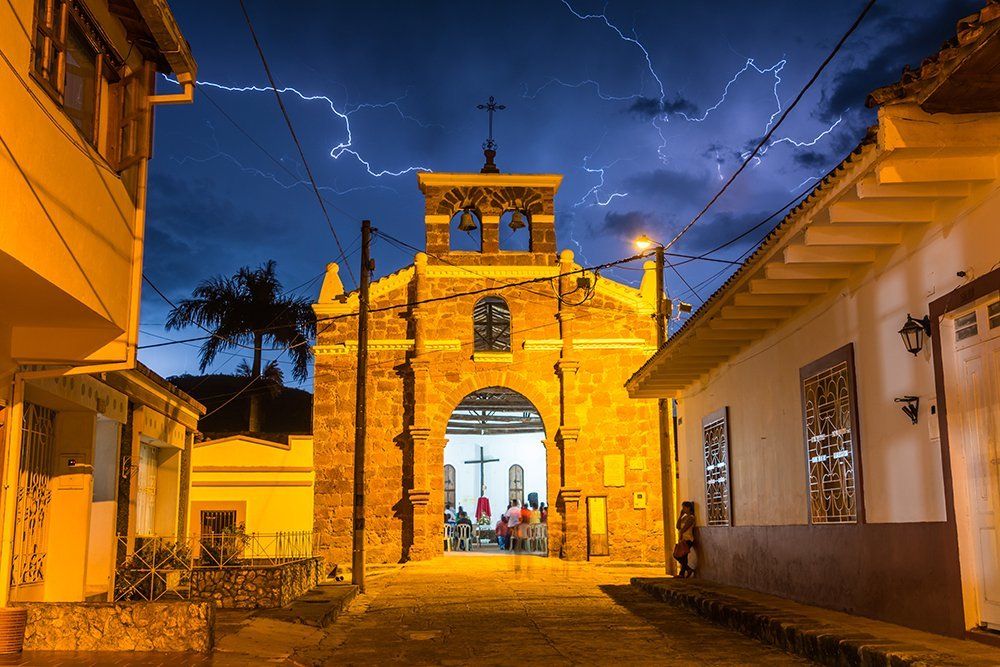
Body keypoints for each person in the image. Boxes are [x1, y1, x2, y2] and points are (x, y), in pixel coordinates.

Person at [674, 501, 696, 578]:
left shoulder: (691, 518)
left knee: (682, 556)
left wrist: (680, 536)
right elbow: (677, 526)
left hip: (688, 539)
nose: (683, 509)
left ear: (689, 508)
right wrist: (680, 516)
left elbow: (684, 529)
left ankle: (682, 574)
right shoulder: (684, 517)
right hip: (683, 539)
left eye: (684, 507)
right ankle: (687, 570)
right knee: (678, 555)